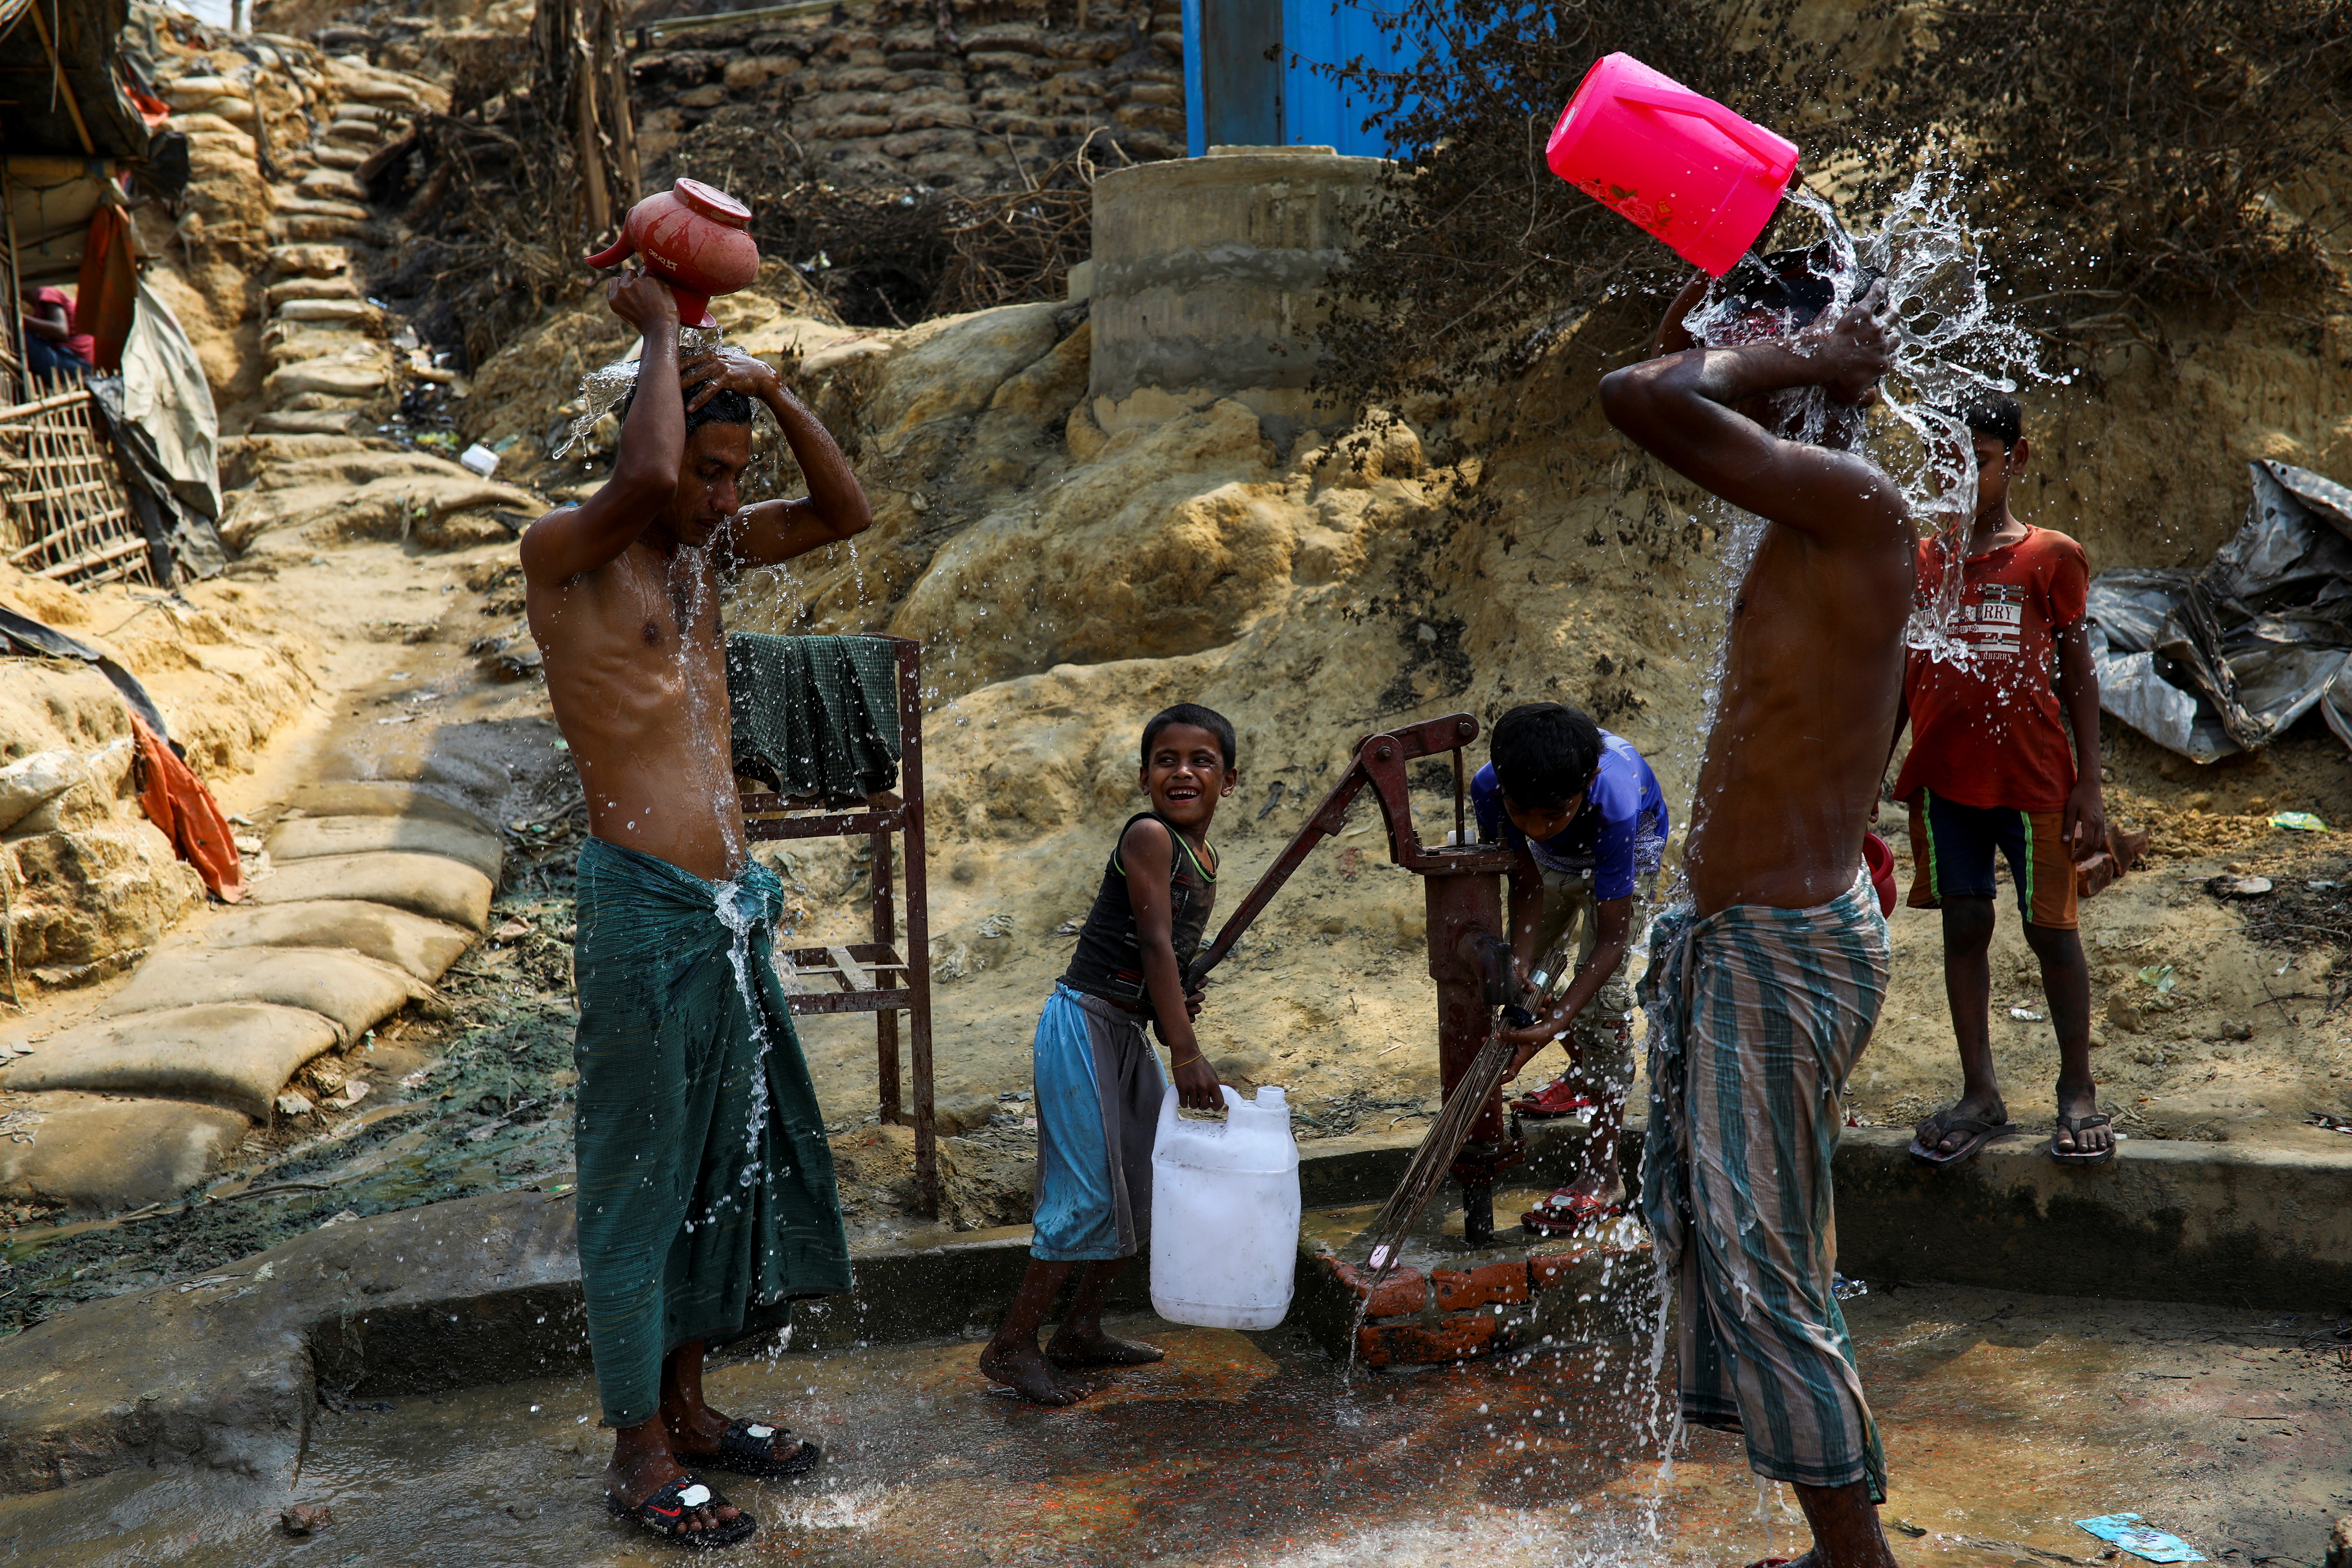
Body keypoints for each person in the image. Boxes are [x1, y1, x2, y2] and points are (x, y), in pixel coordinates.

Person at [521, 271, 874, 1549]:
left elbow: (844, 511)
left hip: (728, 911)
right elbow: (641, 480)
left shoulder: (706, 556)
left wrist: (774, 391)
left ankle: (691, 1409)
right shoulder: (564, 553)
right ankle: (637, 1455)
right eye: (709, 474)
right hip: (641, 911)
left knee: (723, 1166)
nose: (724, 499)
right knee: (639, 1181)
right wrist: (668, 331)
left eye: (735, 477)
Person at [1597, 249, 1913, 1568]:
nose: (1727, 365)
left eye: (1751, 343)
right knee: (1746, 1258)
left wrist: (1817, 352)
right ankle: (1834, 1546)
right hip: (1749, 946)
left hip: (1780, 955)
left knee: (1769, 1276)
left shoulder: (1858, 503)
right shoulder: (1807, 509)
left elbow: (1642, 393)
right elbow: (1670, 375)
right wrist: (1717, 297)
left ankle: (1859, 1563)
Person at [979, 703, 1235, 1405]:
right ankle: (1011, 1346)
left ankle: (1080, 1332)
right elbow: (1152, 945)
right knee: (1087, 1193)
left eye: (1202, 761)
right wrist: (1186, 1052)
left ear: (1229, 780)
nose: (1183, 772)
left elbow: (1163, 957)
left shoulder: (1204, 858)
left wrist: (1171, 1001)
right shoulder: (1149, 836)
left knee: (1142, 1185)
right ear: (1144, 776)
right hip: (1083, 1027)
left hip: (1123, 1030)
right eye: (1166, 760)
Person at [1891, 394, 2112, 1168]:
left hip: (2035, 780)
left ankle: (2077, 1088)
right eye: (1942, 461)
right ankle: (1979, 1092)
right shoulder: (1922, 562)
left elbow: (2078, 671)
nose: (1956, 477)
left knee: (2052, 931)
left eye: (1976, 460)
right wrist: (1873, 772)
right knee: (1963, 924)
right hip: (1947, 780)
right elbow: (1900, 677)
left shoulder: (2050, 556)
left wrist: (2090, 783)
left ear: (2015, 460)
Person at [1477, 701, 1669, 1233]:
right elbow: (1524, 879)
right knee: (1524, 978)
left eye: (1550, 815)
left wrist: (1558, 1020)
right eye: (1521, 813)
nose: (1534, 827)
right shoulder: (1491, 786)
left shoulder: (1615, 801)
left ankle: (1603, 1174)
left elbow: (1610, 940)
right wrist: (1521, 961)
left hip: (1624, 852)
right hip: (1556, 861)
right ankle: (1584, 1074)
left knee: (1601, 1006)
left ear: (1585, 785)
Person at [19, 286, 94, 379]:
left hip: (73, 363)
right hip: (73, 365)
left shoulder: (47, 292)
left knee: (21, 333)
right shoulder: (39, 310)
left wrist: (19, 318)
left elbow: (61, 331)